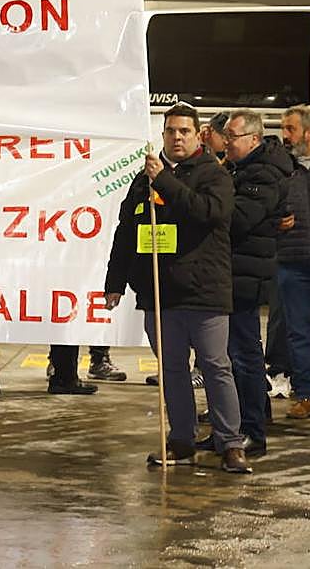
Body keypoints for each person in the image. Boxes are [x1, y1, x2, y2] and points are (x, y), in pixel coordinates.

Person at [102, 103, 250, 473]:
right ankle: (181, 440)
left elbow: (207, 213)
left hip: (204, 292)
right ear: (163, 134)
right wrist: (115, 282)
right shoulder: (143, 180)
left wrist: (164, 181)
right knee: (172, 371)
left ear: (197, 134)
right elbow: (127, 232)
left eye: (184, 131)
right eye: (171, 131)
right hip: (160, 293)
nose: (177, 137)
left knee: (217, 367)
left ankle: (229, 442)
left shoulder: (213, 175)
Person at [200, 108, 289, 456]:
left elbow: (237, 219)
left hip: (243, 277)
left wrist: (207, 206)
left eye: (233, 137)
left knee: (243, 356)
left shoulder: (263, 173)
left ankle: (251, 429)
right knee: (222, 357)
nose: (227, 142)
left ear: (253, 139)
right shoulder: (239, 169)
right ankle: (228, 429)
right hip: (228, 273)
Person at [276, 104, 310, 420]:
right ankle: (305, 394)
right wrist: (275, 222)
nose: (284, 135)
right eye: (283, 129)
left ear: (308, 131)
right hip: (292, 261)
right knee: (299, 332)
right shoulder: (279, 167)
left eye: (290, 128)